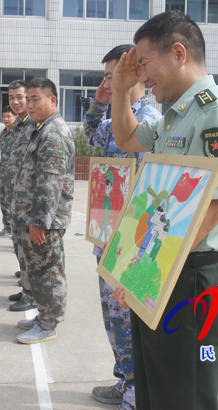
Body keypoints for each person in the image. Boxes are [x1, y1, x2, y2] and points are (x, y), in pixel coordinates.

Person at [109, 10, 218, 409]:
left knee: (185, 398)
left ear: (178, 53)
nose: (142, 75)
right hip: (167, 270)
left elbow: (212, 210)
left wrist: (141, 273)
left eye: (145, 64)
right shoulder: (178, 114)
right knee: (157, 392)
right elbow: (127, 138)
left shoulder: (216, 113)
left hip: (191, 278)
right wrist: (121, 90)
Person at [82, 44, 161, 410]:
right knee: (114, 322)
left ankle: (136, 394)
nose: (107, 82)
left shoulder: (147, 121)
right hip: (109, 237)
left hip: (133, 244)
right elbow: (93, 138)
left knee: (130, 320)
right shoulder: (117, 114)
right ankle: (125, 380)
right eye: (106, 77)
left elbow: (153, 191)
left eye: (112, 76)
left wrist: (137, 250)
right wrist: (100, 104)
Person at [12, 78, 75, 344]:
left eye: (35, 99)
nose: (29, 104)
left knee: (48, 271)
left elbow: (51, 181)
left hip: (44, 220)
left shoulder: (54, 133)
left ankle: (49, 323)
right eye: (29, 99)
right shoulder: (41, 129)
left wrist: (40, 221)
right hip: (32, 217)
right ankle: (43, 315)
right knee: (36, 271)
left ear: (53, 101)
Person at [4, 80, 37, 312]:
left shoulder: (35, 125)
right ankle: (26, 289)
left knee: (29, 250)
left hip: (29, 202)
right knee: (19, 246)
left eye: (20, 97)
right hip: (16, 198)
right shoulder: (18, 126)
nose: (15, 102)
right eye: (11, 98)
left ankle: (32, 294)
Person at [0, 105, 17, 236]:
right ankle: (7, 226)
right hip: (3, 172)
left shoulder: (19, 133)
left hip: (15, 174)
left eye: (9, 116)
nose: (6, 119)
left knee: (14, 201)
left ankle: (16, 230)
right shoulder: (3, 133)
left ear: (15, 117)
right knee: (3, 199)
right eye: (4, 116)